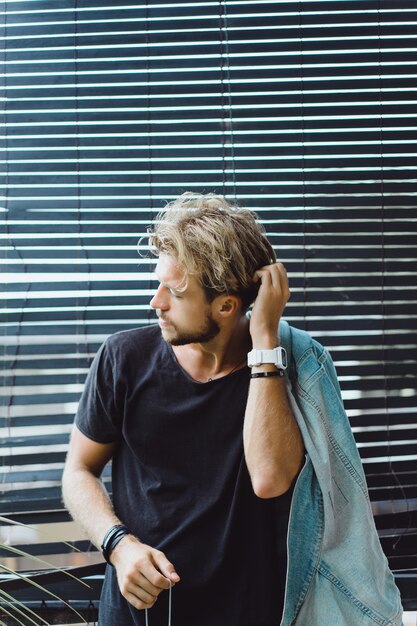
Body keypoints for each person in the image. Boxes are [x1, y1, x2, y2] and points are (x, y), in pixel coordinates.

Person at [62, 192, 403, 626]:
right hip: (138, 615)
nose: (156, 302)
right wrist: (117, 544)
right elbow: (78, 471)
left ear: (226, 305)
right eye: (158, 283)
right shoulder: (122, 358)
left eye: (175, 291)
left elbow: (269, 479)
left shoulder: (291, 368)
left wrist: (264, 343)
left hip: (250, 612)